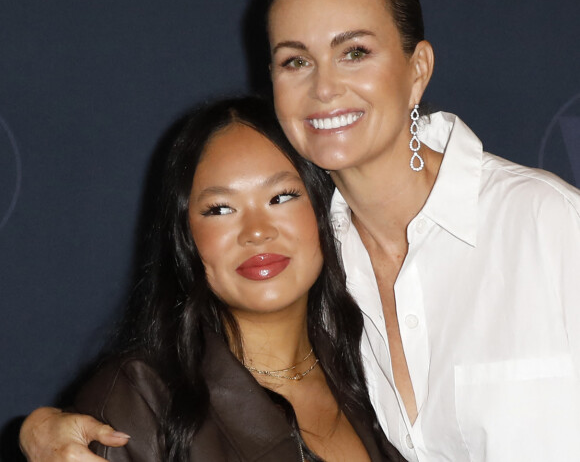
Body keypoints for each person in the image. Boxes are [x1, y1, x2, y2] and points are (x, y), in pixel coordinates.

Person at [20, 0, 580, 461]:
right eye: (296, 60)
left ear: (418, 70)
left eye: (354, 51)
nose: (324, 87)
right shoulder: (316, 255)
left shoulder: (546, 223)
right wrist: (40, 432)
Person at [21, 96, 403, 462]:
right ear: (187, 239)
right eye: (220, 209)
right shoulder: (142, 400)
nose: (256, 231)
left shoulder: (380, 368)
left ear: (325, 208)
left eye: (281, 197)